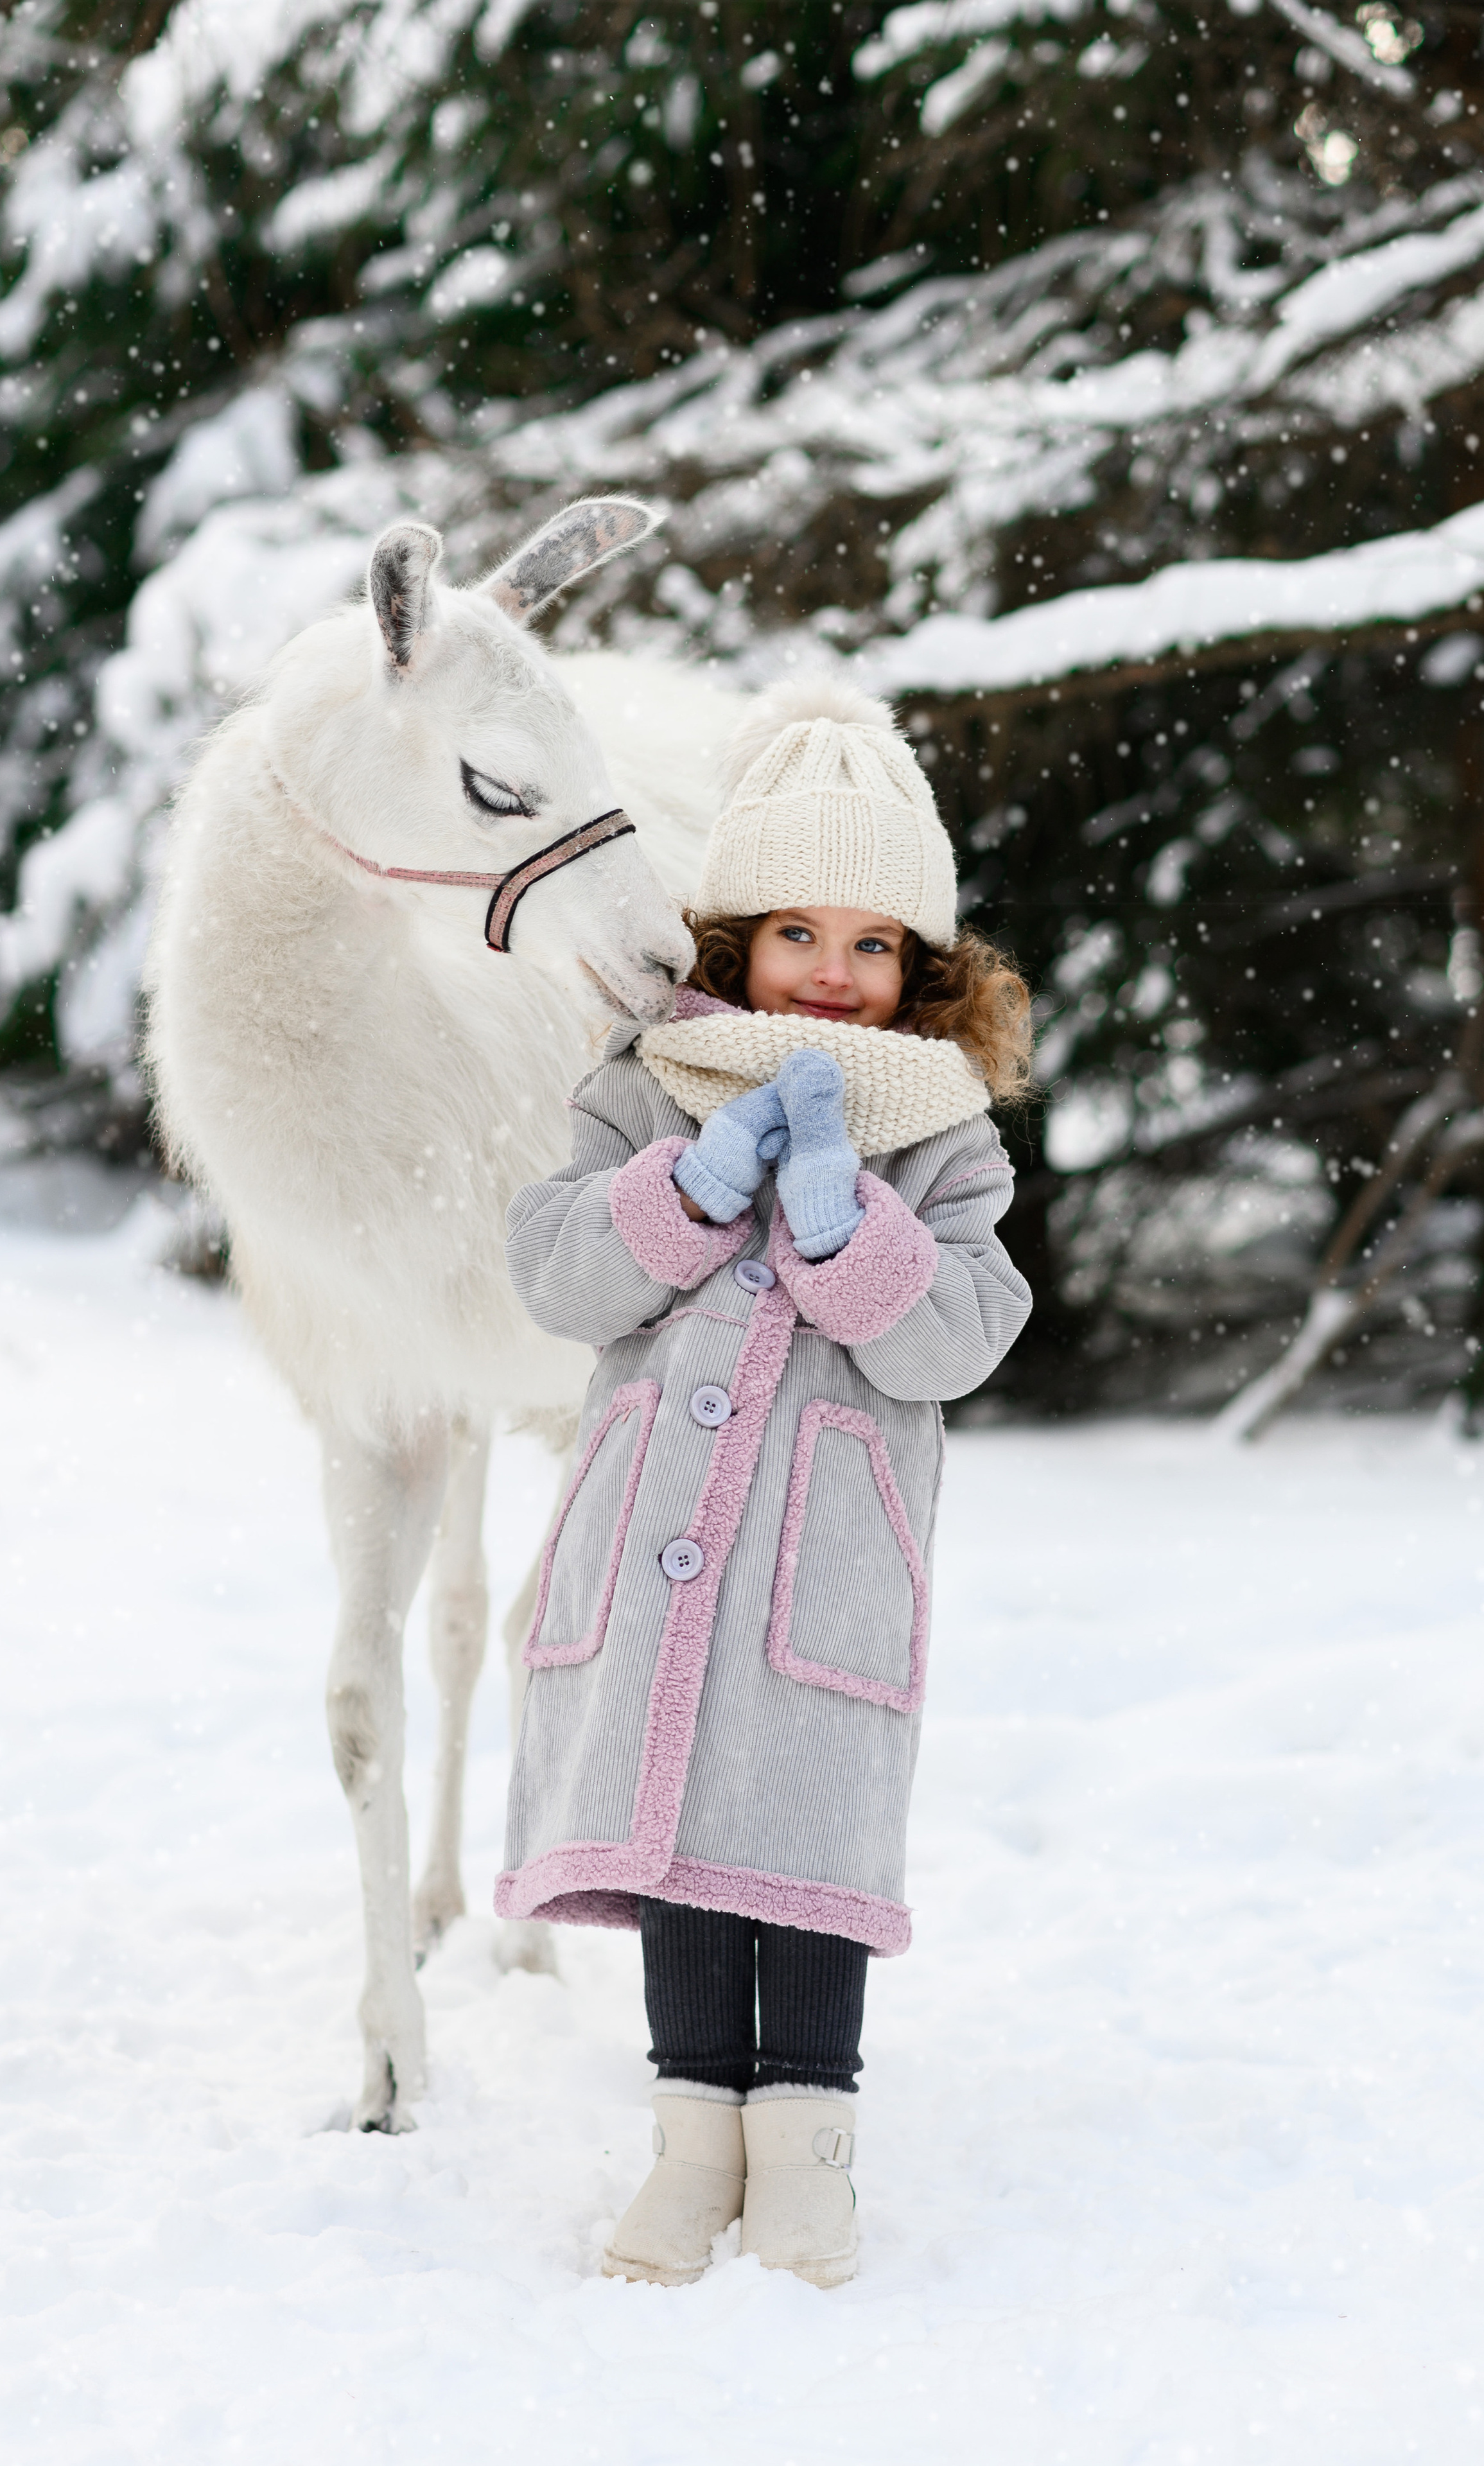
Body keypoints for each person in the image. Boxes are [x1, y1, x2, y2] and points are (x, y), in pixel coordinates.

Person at [496, 675, 1033, 2287]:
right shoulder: (646, 1085)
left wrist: (834, 1220)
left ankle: (805, 2153)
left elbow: (953, 1336)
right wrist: (691, 1183)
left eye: (875, 946)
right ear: (731, 940)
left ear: (921, 970)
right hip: (660, 1531)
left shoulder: (942, 1137)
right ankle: (690, 2143)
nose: (837, 975)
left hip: (823, 1560)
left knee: (794, 1835)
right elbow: (558, 1273)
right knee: (673, 1836)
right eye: (800, 933)